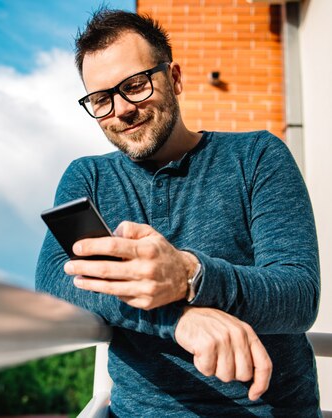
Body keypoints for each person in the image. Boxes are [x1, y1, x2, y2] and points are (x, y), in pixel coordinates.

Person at [35, 8, 321, 417]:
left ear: (174, 78)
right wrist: (179, 317)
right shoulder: (89, 177)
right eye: (101, 99)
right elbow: (53, 283)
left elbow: (299, 296)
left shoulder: (258, 155)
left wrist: (190, 275)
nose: (121, 109)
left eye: (135, 85)